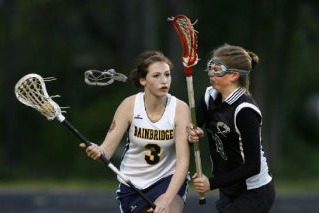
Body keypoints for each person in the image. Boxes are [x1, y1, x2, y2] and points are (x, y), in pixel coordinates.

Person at [80, 50, 191, 213]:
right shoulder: (129, 105)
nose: (164, 80)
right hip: (132, 184)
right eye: (156, 76)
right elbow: (106, 150)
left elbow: (183, 163)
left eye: (167, 75)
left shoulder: (180, 109)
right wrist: (98, 151)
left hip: (167, 180)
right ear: (142, 80)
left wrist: (166, 200)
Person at [187, 44, 275, 213]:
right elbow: (193, 127)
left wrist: (210, 183)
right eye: (210, 68)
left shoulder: (245, 111)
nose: (211, 73)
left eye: (217, 70)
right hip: (228, 188)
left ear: (234, 75)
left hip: (255, 192)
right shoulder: (209, 96)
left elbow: (252, 166)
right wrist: (191, 134)